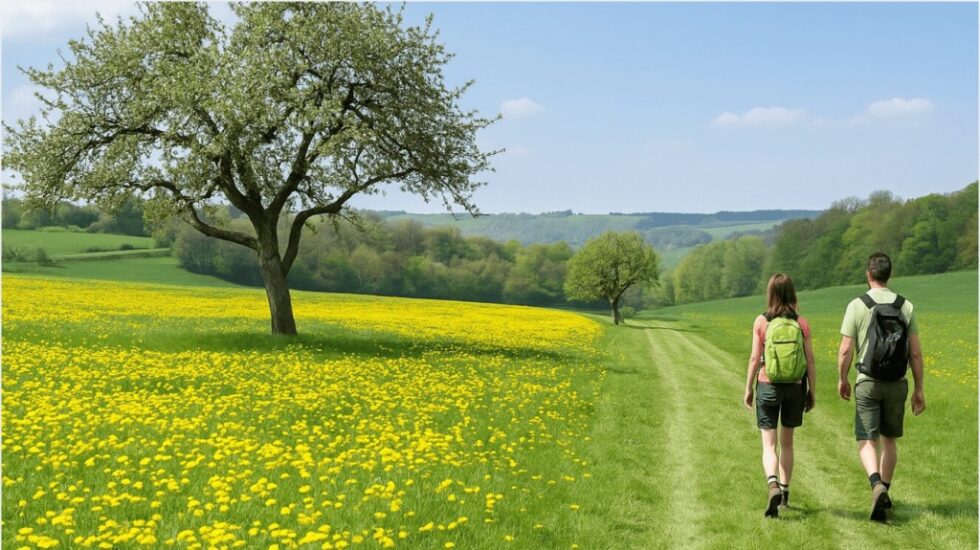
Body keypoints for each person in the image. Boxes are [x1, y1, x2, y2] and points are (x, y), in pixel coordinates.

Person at [838, 252, 926, 522]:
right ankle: (884, 492)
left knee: (867, 438)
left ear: (868, 274)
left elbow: (845, 350)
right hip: (897, 383)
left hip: (868, 382)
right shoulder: (905, 306)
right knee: (889, 441)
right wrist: (919, 389)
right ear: (889, 275)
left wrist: (842, 379)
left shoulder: (857, 304)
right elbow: (916, 354)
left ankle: (876, 484)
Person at [744, 273, 817, 518]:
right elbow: (810, 360)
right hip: (795, 387)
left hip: (768, 385)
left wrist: (748, 388)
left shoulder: (761, 322)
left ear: (770, 293)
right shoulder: (801, 323)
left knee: (769, 443)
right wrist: (812, 391)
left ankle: (772, 483)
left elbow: (755, 358)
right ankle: (784, 494)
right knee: (787, 443)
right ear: (792, 293)